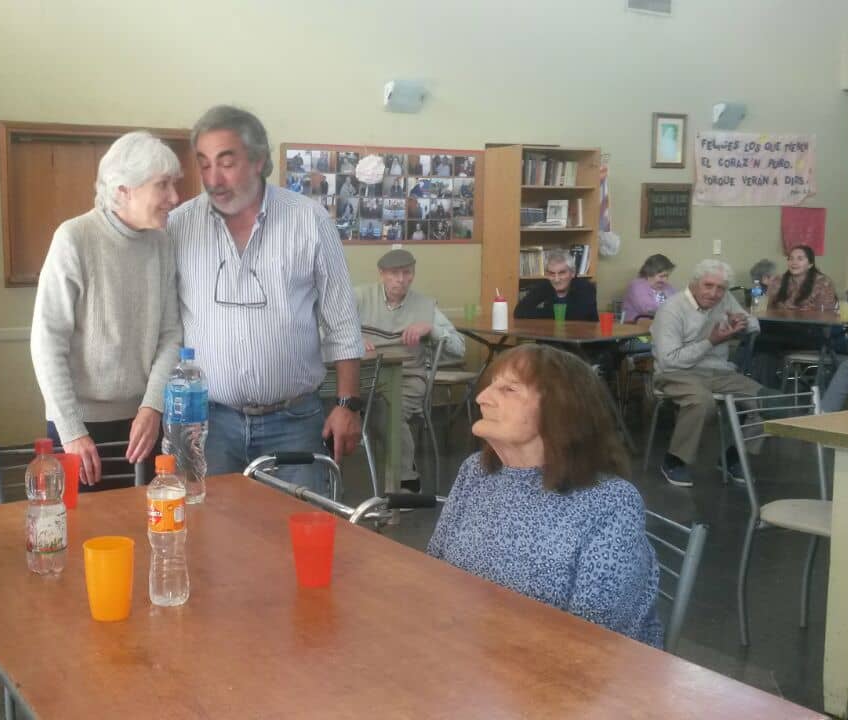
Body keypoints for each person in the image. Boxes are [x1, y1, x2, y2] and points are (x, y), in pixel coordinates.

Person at [168, 106, 364, 494]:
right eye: (204, 165)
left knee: (293, 539)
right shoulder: (180, 225)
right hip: (207, 423)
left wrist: (347, 404)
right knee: (210, 538)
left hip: (293, 421)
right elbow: (163, 324)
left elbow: (341, 319)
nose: (213, 179)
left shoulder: (308, 221)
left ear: (259, 160)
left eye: (226, 163)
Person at [426, 344, 662, 647]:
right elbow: (434, 571)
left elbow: (590, 641)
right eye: (489, 388)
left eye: (509, 389)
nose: (482, 398)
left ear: (561, 408)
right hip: (471, 656)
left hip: (570, 680)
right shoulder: (476, 472)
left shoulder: (611, 503)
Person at [30, 131, 182, 490]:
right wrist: (70, 431)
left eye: (175, 185)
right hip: (78, 427)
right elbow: (47, 343)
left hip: (142, 421)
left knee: (147, 531)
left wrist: (153, 406)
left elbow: (171, 333)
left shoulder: (161, 243)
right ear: (122, 189)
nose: (174, 198)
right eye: (163, 185)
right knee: (84, 536)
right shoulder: (74, 237)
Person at [355, 249, 465, 490]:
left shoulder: (425, 306)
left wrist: (432, 329)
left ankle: (404, 479)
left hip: (407, 378)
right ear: (381, 274)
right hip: (363, 378)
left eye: (407, 273)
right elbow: (327, 330)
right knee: (321, 403)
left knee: (386, 411)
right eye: (394, 273)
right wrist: (352, 339)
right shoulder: (359, 297)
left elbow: (459, 349)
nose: (401, 280)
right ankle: (326, 477)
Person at [651, 259, 764, 487]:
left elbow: (754, 325)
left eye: (720, 288)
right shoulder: (672, 309)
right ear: (694, 284)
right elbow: (669, 360)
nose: (714, 293)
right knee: (701, 402)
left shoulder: (724, 300)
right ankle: (674, 460)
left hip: (718, 372)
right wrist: (711, 341)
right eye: (708, 285)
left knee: (766, 400)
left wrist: (741, 321)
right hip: (675, 373)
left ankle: (733, 457)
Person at [514, 250, 598, 321]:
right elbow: (519, 311)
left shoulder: (586, 288)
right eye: (551, 273)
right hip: (551, 336)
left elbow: (576, 316)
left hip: (581, 337)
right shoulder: (545, 285)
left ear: (572, 273)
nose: (556, 279)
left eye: (562, 273)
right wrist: (552, 314)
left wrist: (544, 313)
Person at [767, 245, 837, 311]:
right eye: (791, 258)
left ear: (810, 264)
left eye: (800, 259)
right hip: (779, 322)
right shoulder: (778, 280)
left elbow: (825, 312)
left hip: (811, 323)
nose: (794, 262)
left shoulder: (823, 283)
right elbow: (768, 308)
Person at [621, 254, 676, 322]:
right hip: (635, 326)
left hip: (660, 326)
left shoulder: (668, 287)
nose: (665, 280)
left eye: (667, 276)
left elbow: (677, 304)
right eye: (661, 276)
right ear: (649, 274)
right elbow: (647, 309)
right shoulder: (637, 286)